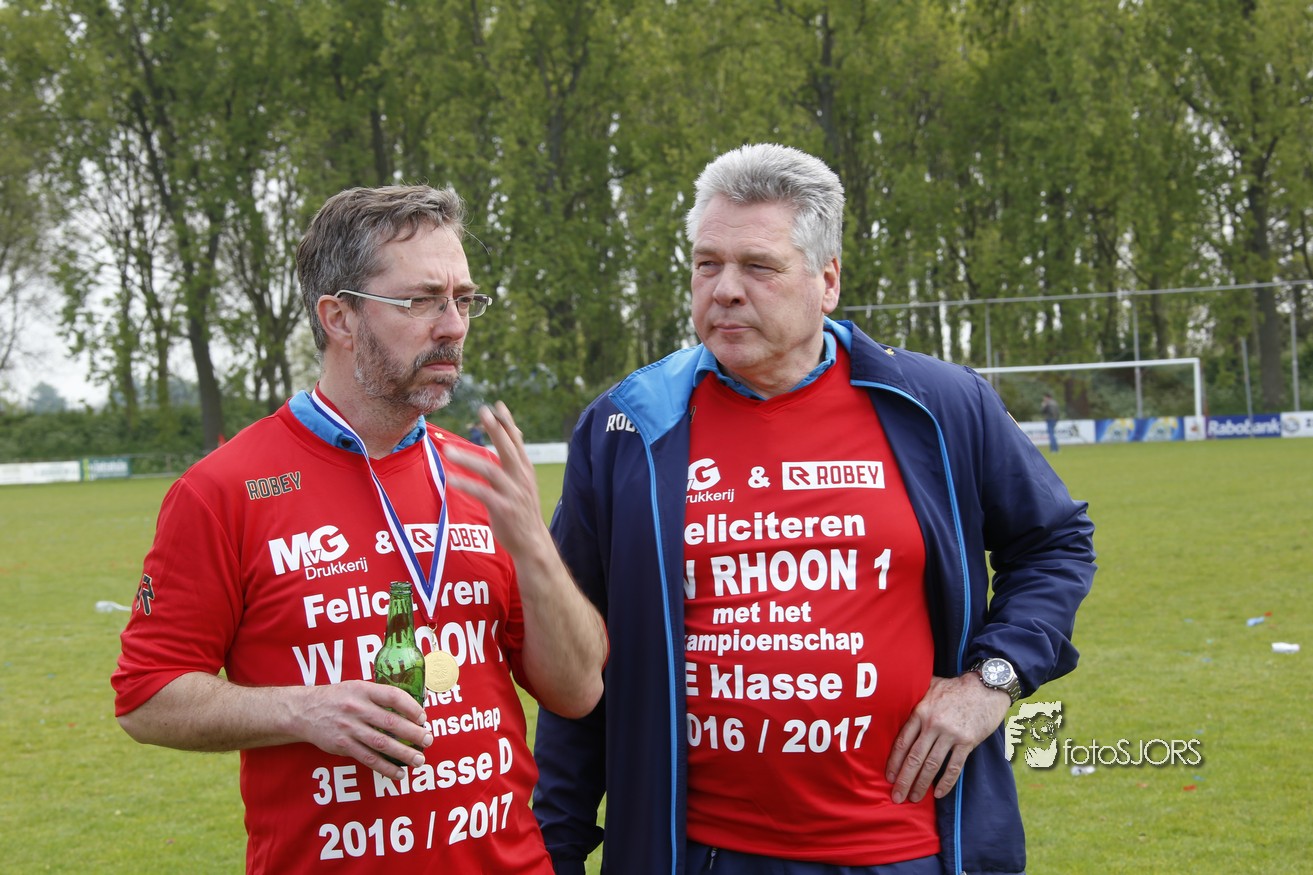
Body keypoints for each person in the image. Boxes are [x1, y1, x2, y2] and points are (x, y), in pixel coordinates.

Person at [532, 144, 1095, 875]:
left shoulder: (939, 404)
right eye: (707, 264)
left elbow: (1054, 542)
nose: (725, 290)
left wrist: (992, 680)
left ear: (826, 281)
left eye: (758, 266)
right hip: (701, 855)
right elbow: (576, 648)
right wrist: (557, 847)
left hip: (908, 852)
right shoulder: (629, 425)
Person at [112, 184, 607, 874]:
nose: (453, 326)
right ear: (339, 317)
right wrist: (301, 710)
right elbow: (145, 695)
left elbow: (578, 690)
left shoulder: (481, 478)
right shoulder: (224, 490)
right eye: (422, 300)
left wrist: (535, 550)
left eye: (464, 299)